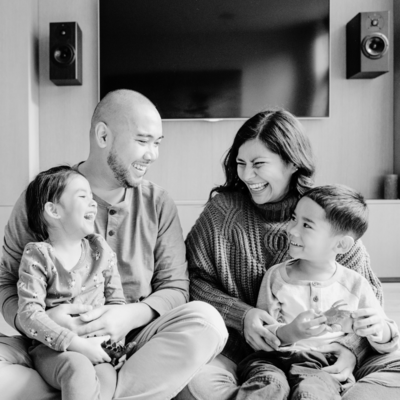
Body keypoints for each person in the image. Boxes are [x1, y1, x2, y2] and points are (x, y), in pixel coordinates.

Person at [0, 89, 228, 400]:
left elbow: (176, 289)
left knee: (208, 321)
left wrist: (127, 317)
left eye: (157, 144)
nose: (153, 154)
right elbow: (7, 285)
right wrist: (44, 322)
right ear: (103, 135)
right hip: (53, 345)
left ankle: (82, 391)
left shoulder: (158, 203)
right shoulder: (43, 196)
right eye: (143, 141)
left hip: (137, 346)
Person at [176, 109, 400, 400]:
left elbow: (368, 305)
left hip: (323, 354)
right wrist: (241, 315)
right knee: (192, 381)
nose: (246, 175)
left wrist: (351, 352)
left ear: (293, 162)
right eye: (240, 163)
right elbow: (190, 281)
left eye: (258, 164)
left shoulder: (326, 213)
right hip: (245, 354)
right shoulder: (222, 213)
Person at [236, 184, 399, 400]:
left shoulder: (355, 284)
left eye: (307, 225)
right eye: (294, 219)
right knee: (267, 386)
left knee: (311, 392)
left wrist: (380, 329)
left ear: (341, 245)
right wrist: (291, 332)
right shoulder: (276, 277)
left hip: (322, 366)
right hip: (272, 361)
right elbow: (264, 333)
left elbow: (390, 339)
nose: (292, 229)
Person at [18, 165, 131, 400]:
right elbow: (29, 314)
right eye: (82, 196)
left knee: (108, 380)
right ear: (53, 210)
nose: (93, 203)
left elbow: (117, 303)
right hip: (53, 349)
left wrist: (114, 344)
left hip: (99, 347)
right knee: (78, 369)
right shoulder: (38, 255)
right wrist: (76, 344)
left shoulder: (101, 250)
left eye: (92, 197)